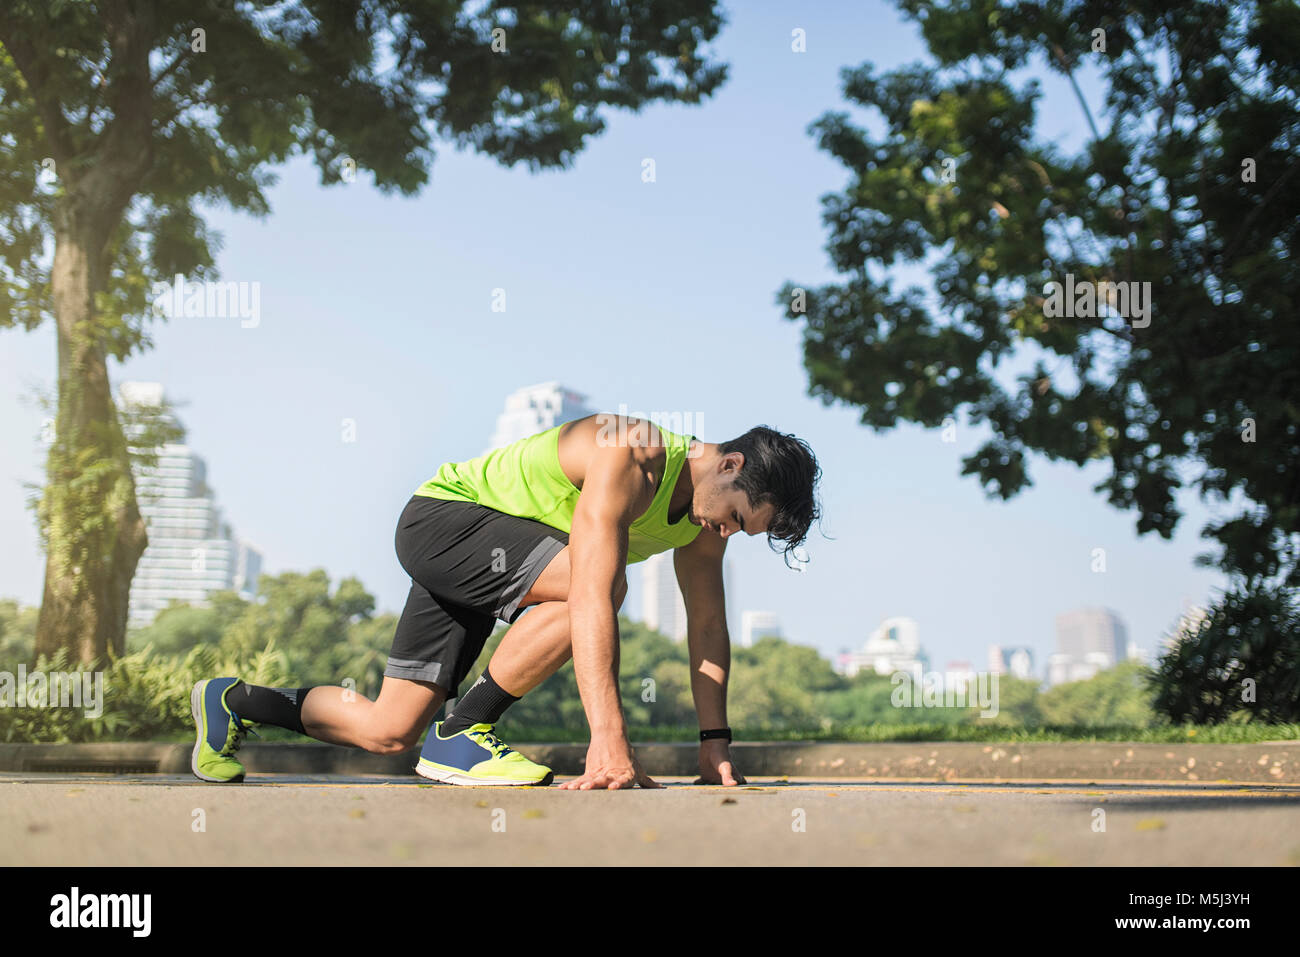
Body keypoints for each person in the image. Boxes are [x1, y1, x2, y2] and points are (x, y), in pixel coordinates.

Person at [190, 413, 821, 789]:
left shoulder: (703, 523)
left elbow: (708, 627)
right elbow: (594, 593)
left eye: (744, 531)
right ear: (730, 463)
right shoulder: (634, 450)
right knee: (598, 582)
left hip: (493, 561)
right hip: (446, 521)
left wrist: (715, 746)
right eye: (737, 517)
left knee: (389, 731)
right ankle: (464, 729)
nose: (727, 533)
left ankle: (232, 701)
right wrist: (609, 740)